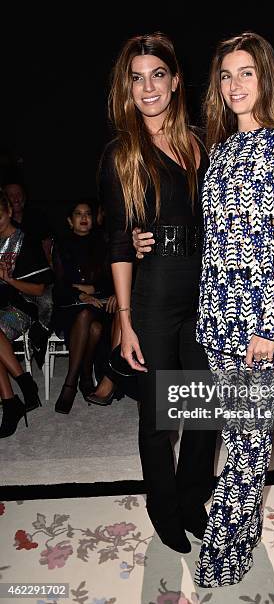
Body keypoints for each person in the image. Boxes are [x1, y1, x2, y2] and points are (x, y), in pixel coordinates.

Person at [134, 32, 274, 587]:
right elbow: (204, 228)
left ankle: (227, 554)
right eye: (226, 75)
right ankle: (237, 527)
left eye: (246, 74)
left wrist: (269, 325)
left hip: (261, 319)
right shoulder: (222, 149)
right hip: (215, 314)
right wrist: (146, 238)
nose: (235, 85)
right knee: (233, 437)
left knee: (248, 444)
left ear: (266, 79)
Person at [99, 33, 218, 555]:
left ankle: (194, 501)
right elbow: (120, 241)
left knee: (206, 409)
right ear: (128, 87)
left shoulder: (202, 141)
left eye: (157, 74)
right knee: (160, 415)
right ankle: (163, 508)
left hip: (208, 289)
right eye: (136, 77)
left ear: (174, 80)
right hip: (154, 294)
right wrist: (124, 319)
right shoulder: (122, 153)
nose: (148, 87)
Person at [52, 200, 117, 413]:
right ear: (70, 221)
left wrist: (91, 288)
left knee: (93, 318)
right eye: (78, 214)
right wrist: (80, 294)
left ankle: (71, 382)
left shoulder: (103, 243)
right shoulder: (61, 244)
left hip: (101, 303)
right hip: (70, 304)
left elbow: (112, 279)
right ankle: (82, 375)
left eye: (88, 213)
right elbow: (60, 284)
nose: (83, 218)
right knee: (90, 323)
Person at [0, 192, 53, 438]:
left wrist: (10, 280)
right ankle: (14, 400)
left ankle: (16, 396)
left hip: (22, 308)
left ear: (9, 211)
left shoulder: (25, 241)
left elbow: (39, 289)